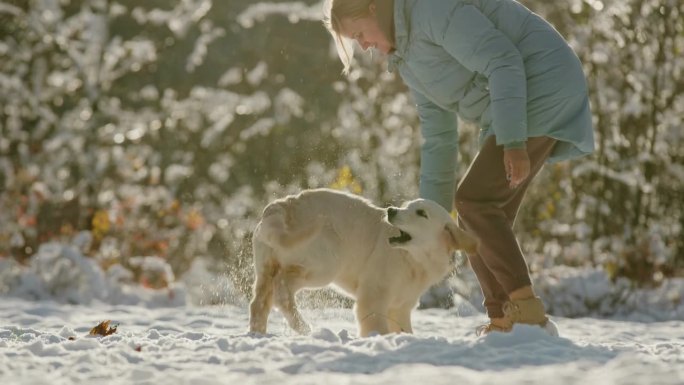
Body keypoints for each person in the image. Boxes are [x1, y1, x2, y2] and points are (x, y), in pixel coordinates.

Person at [323, 0, 594, 335]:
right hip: (513, 104)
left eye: (360, 34)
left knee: (474, 202)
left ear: (374, 7)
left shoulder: (432, 10)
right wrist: (428, 222)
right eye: (355, 42)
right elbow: (439, 139)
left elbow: (503, 60)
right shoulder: (407, 58)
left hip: (544, 84)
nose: (363, 45)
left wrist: (512, 142)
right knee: (475, 217)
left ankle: (527, 313)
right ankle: (505, 320)